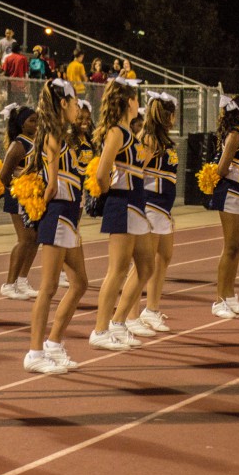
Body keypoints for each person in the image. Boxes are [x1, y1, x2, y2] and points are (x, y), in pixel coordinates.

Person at [23, 79, 90, 374]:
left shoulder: (62, 136)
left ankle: (52, 343)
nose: (77, 107)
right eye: (75, 102)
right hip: (59, 214)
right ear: (63, 103)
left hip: (68, 217)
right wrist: (42, 209)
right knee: (48, 287)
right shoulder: (52, 134)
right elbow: (51, 185)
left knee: (80, 283)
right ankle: (35, 352)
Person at [89, 77, 154, 351]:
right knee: (116, 270)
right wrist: (105, 195)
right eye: (137, 98)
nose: (138, 103)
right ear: (129, 102)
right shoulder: (116, 132)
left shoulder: (130, 133)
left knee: (147, 266)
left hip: (135, 206)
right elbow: (102, 172)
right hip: (123, 204)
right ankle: (100, 330)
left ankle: (117, 323)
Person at [125, 92, 179, 335]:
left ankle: (151, 309)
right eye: (173, 114)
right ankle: (130, 315)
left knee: (164, 257)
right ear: (167, 115)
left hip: (163, 209)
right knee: (142, 265)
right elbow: (137, 171)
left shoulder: (163, 138)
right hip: (150, 206)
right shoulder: (148, 138)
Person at [209, 95, 239, 318]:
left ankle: (229, 295)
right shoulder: (235, 135)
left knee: (237, 247)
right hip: (230, 192)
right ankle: (219, 300)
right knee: (230, 247)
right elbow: (221, 168)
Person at [0, 104, 39, 300]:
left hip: (32, 198)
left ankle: (22, 280)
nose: (36, 124)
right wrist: (19, 187)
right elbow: (3, 175)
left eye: (38, 120)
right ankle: (9, 283)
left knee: (34, 239)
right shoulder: (18, 145)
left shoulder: (35, 142)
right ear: (21, 124)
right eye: (32, 121)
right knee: (25, 239)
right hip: (18, 197)